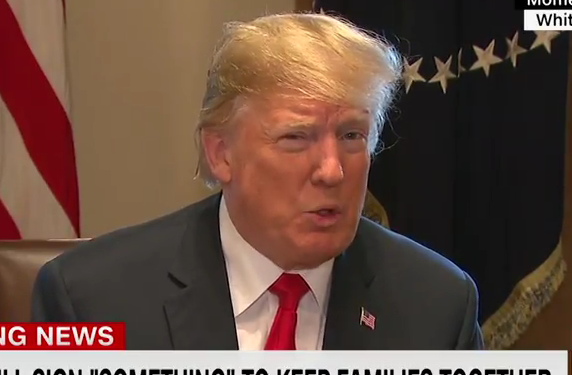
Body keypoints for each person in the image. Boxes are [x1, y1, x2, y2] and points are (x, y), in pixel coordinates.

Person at [32, 12, 484, 352]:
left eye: (352, 136)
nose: (332, 171)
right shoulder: (89, 301)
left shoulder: (437, 306)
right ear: (221, 154)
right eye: (296, 137)